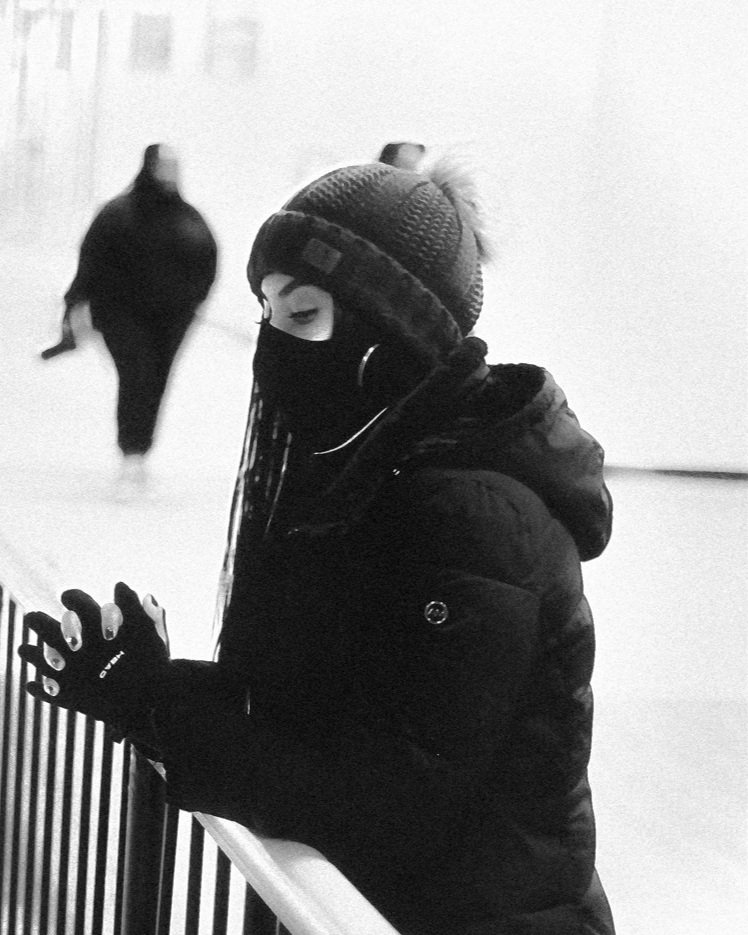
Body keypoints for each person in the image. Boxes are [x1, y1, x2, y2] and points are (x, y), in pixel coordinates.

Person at [20, 160, 616, 935]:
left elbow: (390, 800)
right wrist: (150, 687)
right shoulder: (367, 476)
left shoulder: (470, 516)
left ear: (389, 332)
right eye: (268, 315)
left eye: (302, 316)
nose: (273, 348)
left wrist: (157, 705)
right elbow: (325, 710)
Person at [41, 143, 218, 496]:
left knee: (156, 380)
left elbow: (206, 263)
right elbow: (90, 261)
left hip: (172, 318)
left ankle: (139, 451)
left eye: (175, 166)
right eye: (164, 165)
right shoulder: (117, 214)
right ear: (149, 166)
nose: (170, 172)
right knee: (136, 375)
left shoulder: (189, 218)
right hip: (120, 315)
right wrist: (75, 303)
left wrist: (192, 301)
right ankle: (131, 453)